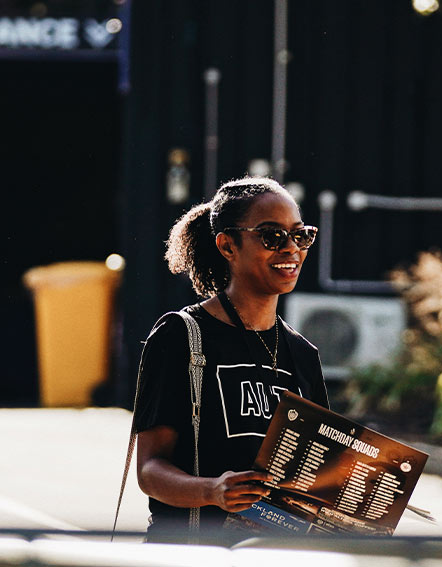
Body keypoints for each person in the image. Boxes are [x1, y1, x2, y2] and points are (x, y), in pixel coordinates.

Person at [133, 176, 329, 542]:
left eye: (301, 235)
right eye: (272, 236)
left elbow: (312, 482)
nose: (291, 249)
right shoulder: (181, 335)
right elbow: (149, 470)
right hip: (187, 554)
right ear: (227, 245)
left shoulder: (302, 355)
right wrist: (212, 491)